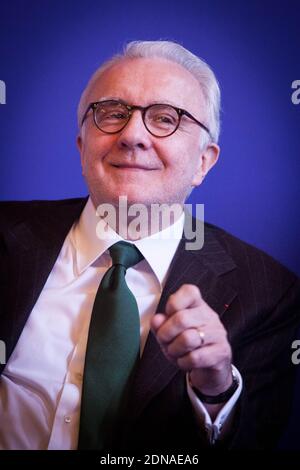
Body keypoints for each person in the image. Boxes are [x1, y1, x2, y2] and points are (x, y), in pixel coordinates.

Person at [0, 40, 299, 452]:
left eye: (165, 118)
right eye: (112, 113)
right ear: (81, 145)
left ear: (203, 162)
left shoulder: (271, 293)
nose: (133, 135)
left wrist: (215, 388)